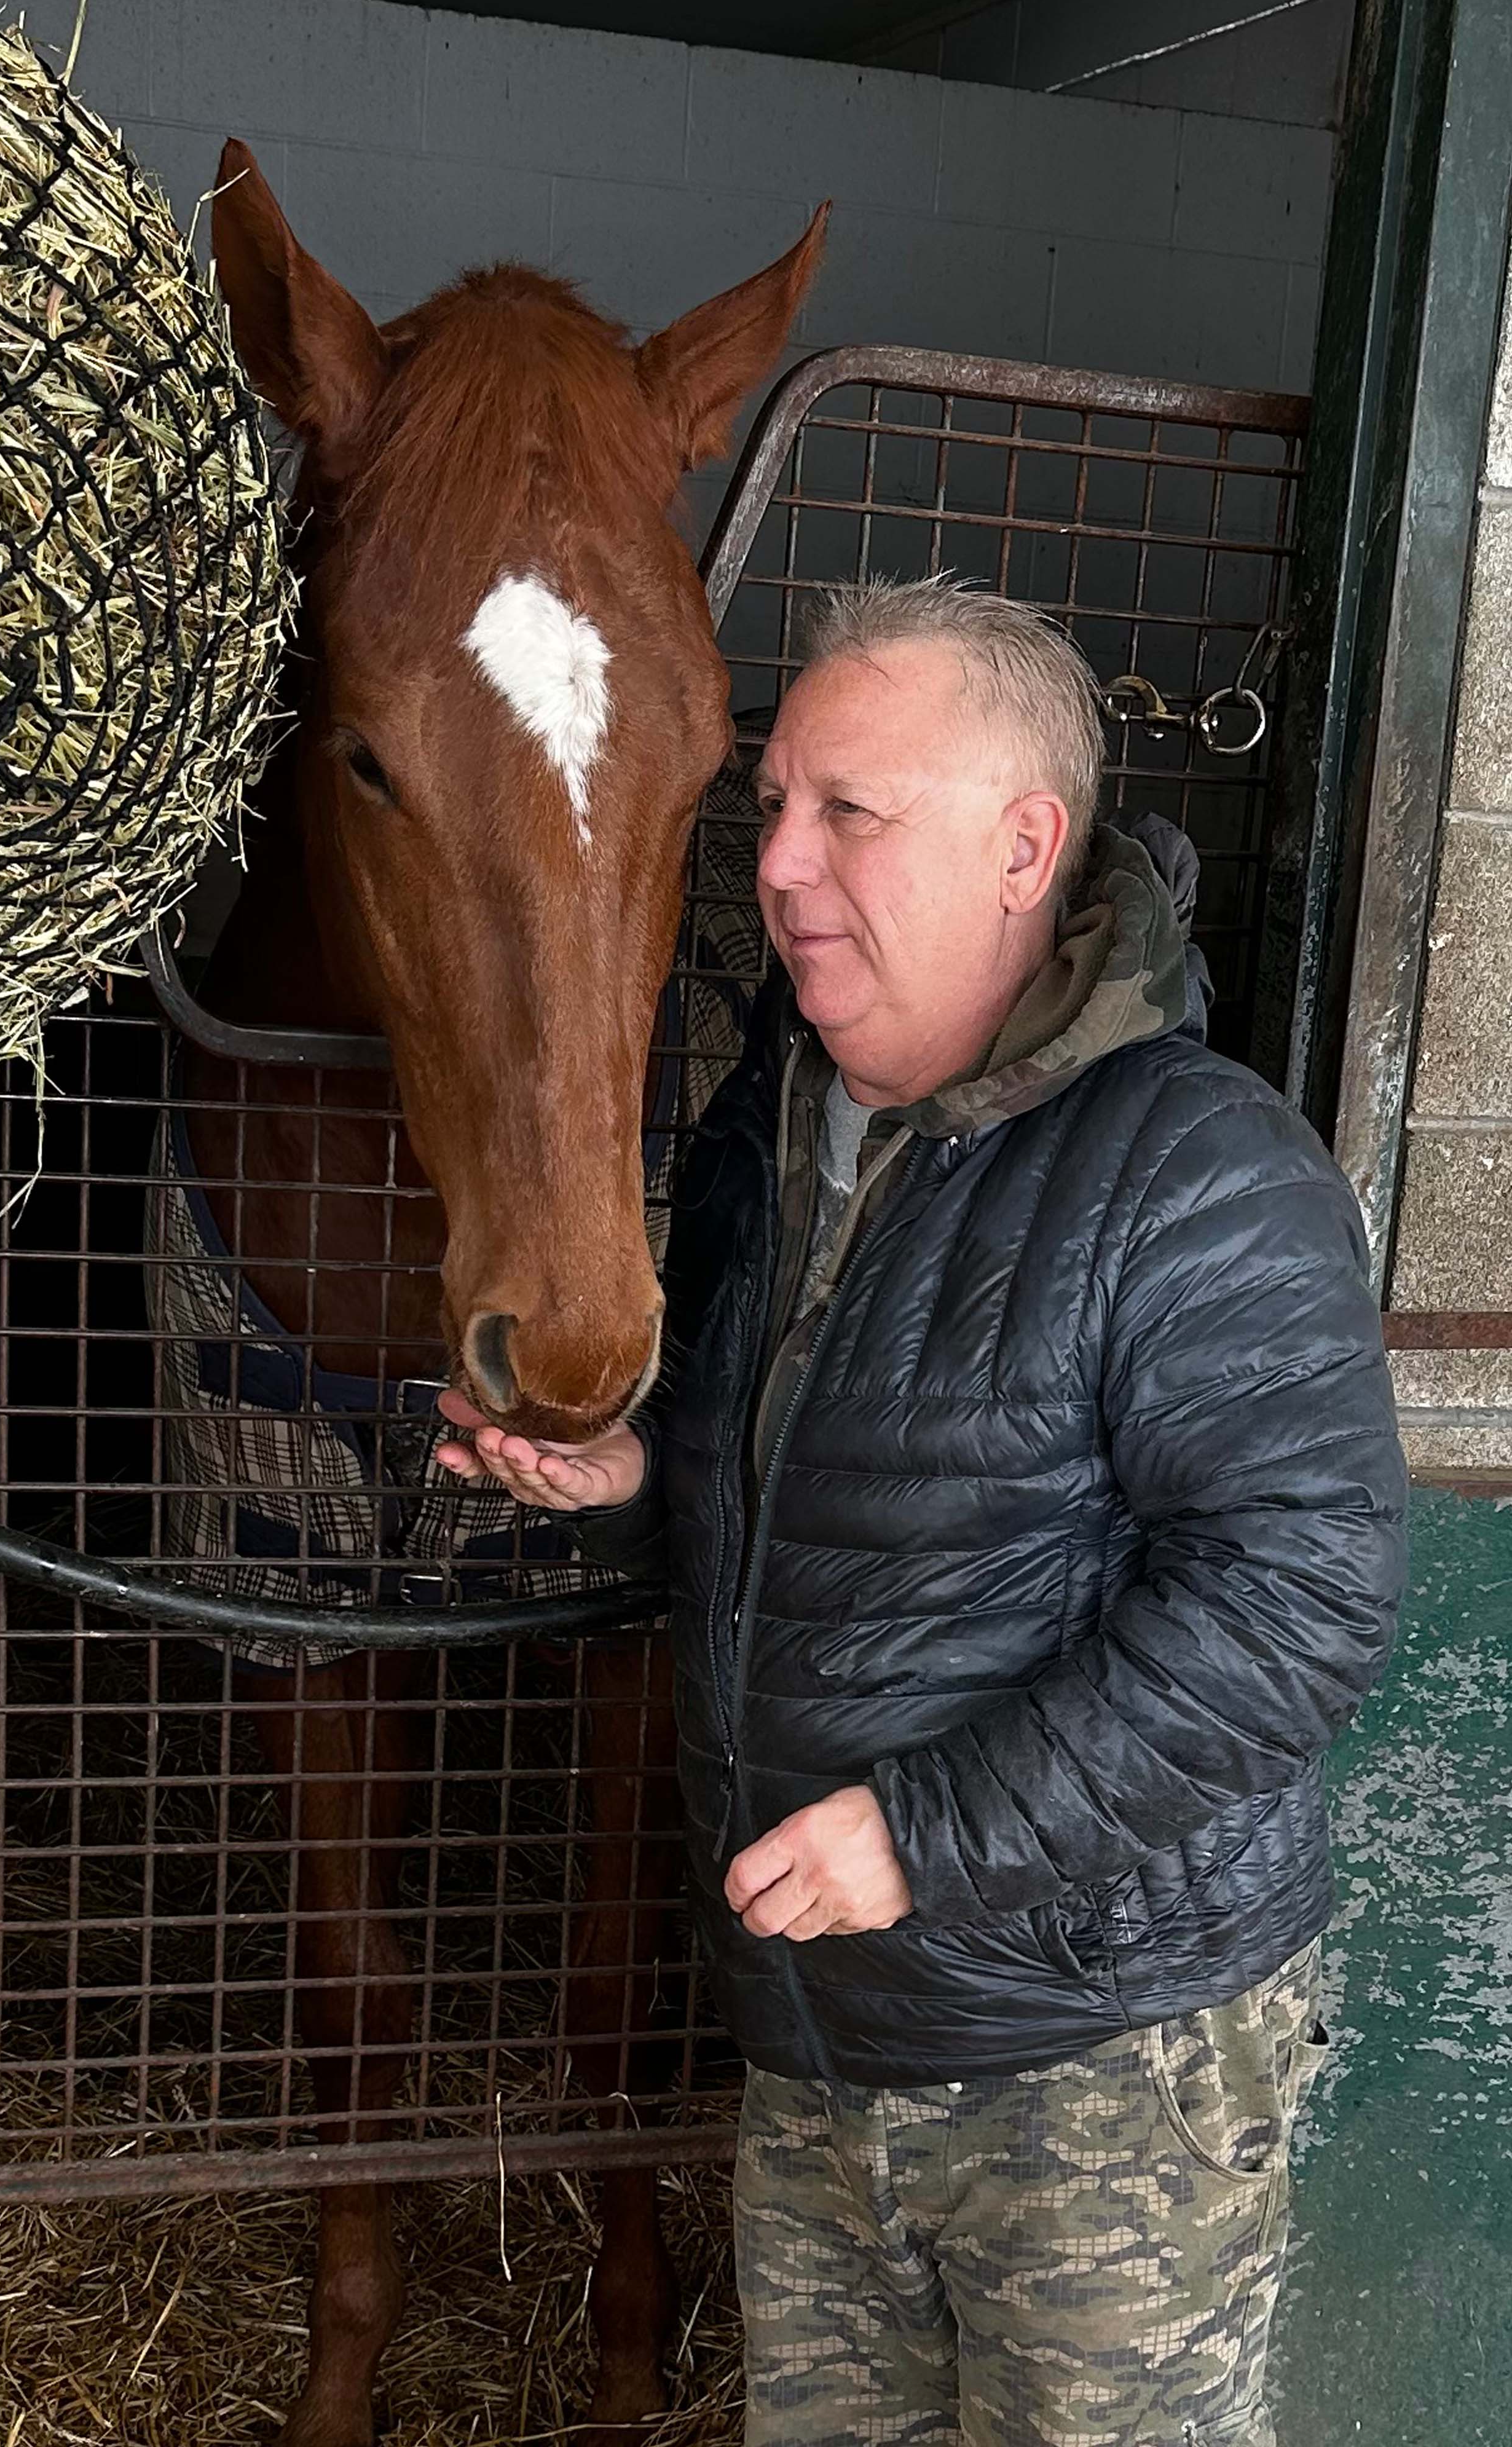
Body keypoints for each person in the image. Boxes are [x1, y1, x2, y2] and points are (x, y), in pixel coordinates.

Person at [436, 575, 1408, 2447]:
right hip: (820, 2043)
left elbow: (1302, 1599)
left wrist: (930, 1834)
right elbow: (805, 1515)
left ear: (1025, 847)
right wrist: (637, 1485)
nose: (780, 864)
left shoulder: (1192, 1164)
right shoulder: (775, 1134)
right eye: (773, 807)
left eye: (848, 814)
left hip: (1099, 2072)